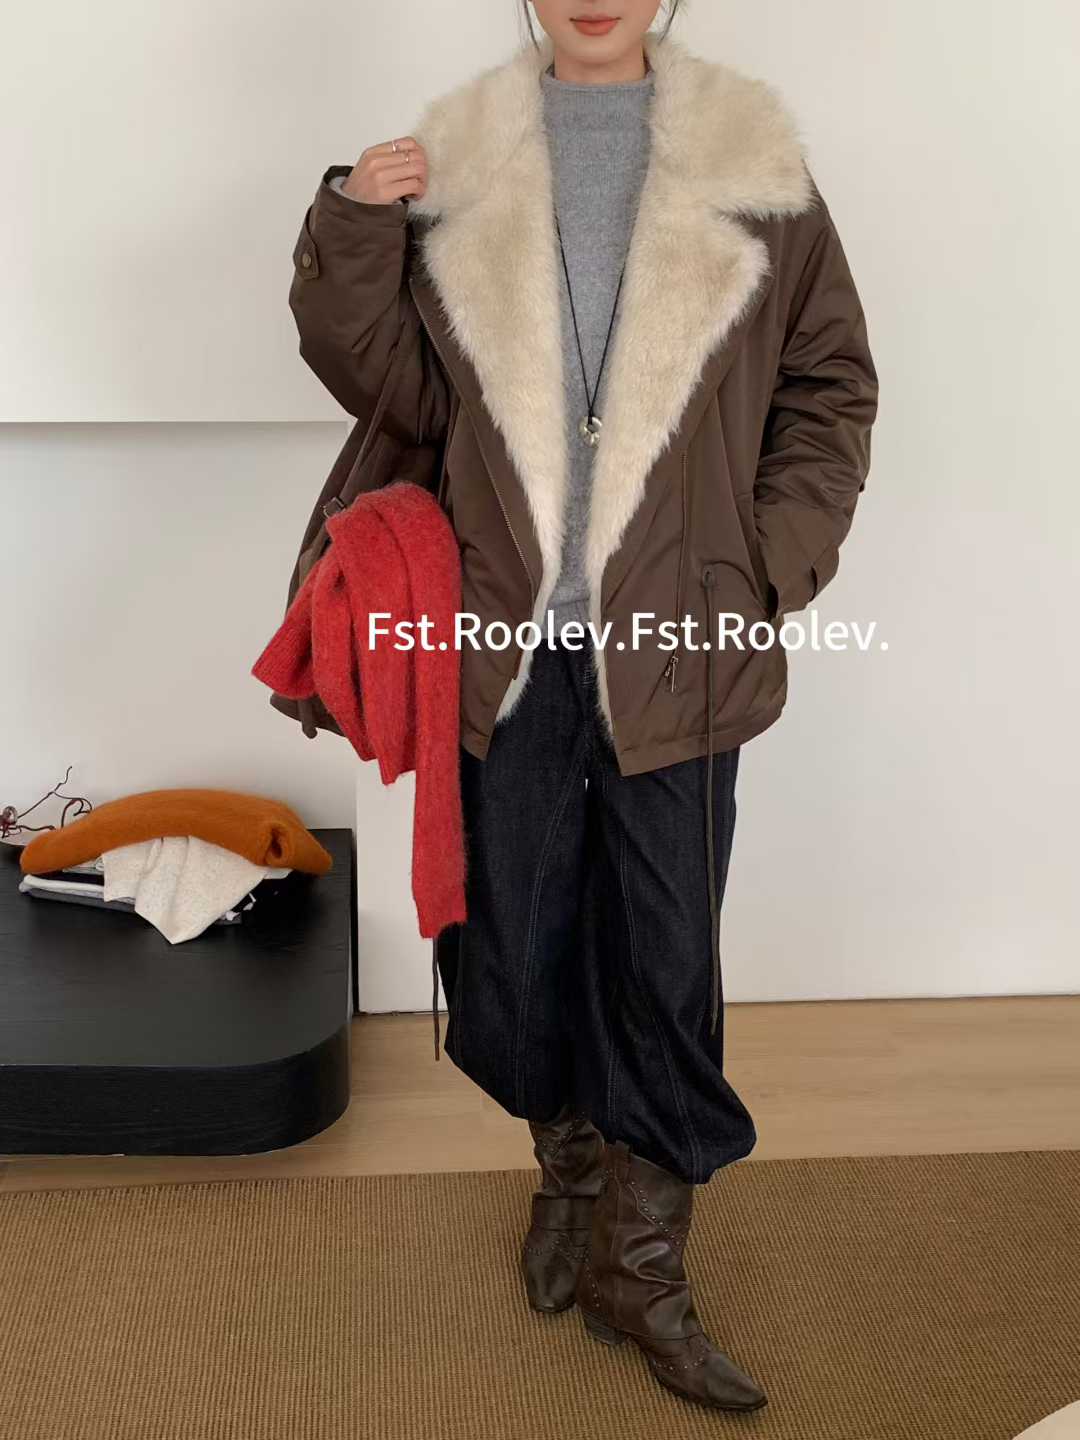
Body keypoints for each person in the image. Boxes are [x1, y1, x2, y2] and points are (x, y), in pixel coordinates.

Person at [287, 0, 878, 1413]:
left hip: (681, 643)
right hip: (504, 638)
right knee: (513, 943)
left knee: (665, 960)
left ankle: (643, 1265)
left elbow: (830, 385)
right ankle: (566, 1176)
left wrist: (767, 564)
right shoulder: (458, 156)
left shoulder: (754, 159)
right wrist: (354, 226)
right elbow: (392, 385)